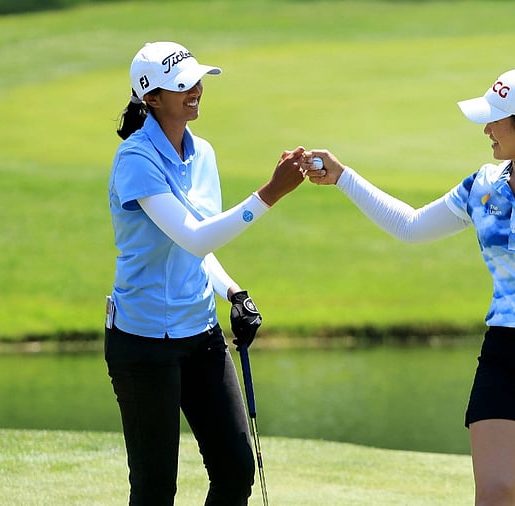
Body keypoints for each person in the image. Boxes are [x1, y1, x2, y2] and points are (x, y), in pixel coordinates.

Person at [304, 67, 515, 506]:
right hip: (505, 356)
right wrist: (343, 177)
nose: (486, 129)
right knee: (495, 495)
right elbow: (411, 227)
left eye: (496, 120)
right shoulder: (482, 186)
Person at [105, 41, 304, 505]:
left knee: (236, 469)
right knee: (155, 490)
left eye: (196, 80)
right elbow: (194, 236)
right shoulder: (136, 161)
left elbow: (198, 246)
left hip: (201, 334)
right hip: (143, 342)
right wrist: (270, 194)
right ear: (151, 97)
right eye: (181, 86)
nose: (195, 90)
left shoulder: (204, 154)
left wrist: (232, 291)